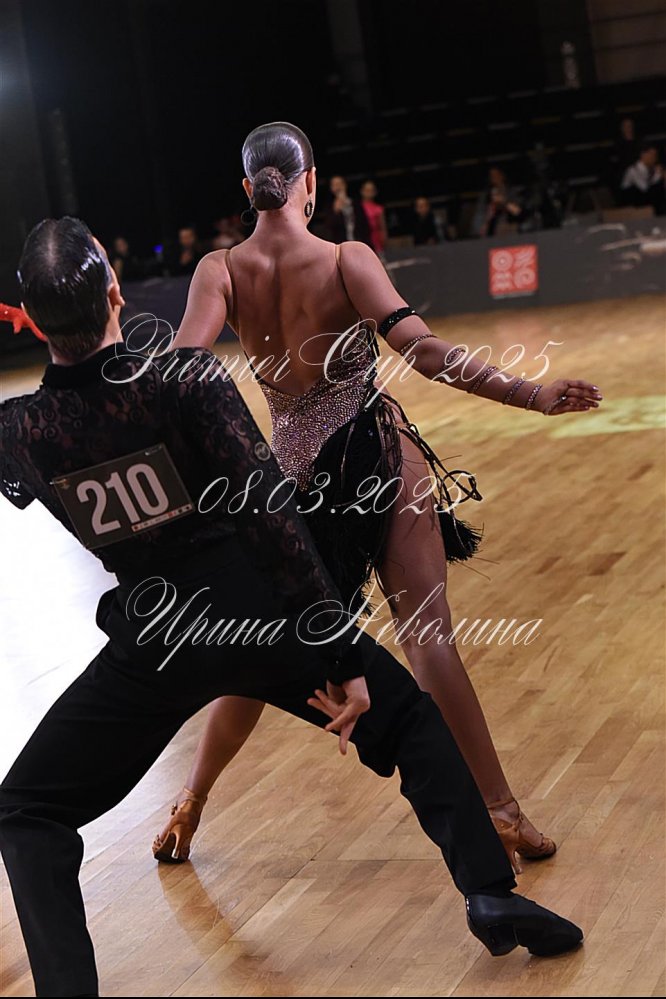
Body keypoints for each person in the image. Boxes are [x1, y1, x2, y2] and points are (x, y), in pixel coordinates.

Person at [0, 218, 584, 998]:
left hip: (154, 641)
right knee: (411, 722)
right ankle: (490, 892)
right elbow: (270, 515)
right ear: (115, 292)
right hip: (261, 619)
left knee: (27, 811)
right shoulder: (186, 382)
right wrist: (339, 653)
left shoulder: (23, 429)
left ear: (33, 320)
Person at [167, 121, 603, 874]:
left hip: (293, 485)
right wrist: (530, 392)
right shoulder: (346, 259)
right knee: (430, 640)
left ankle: (190, 802)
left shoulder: (220, 271)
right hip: (378, 463)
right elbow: (426, 353)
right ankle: (501, 812)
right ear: (309, 181)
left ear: (248, 188)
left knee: (259, 656)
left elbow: (183, 373)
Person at [472, 167, 524, 237]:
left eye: (496, 175)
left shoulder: (513, 192)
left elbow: (518, 211)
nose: (494, 178)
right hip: (492, 232)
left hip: (511, 229)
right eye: (491, 176)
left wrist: (503, 201)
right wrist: (485, 222)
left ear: (502, 175)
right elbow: (479, 219)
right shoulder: (486, 196)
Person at [325, 174, 373, 246]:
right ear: (331, 188)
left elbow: (364, 224)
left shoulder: (355, 203)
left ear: (345, 185)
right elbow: (329, 227)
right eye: (335, 185)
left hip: (358, 242)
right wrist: (336, 211)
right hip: (340, 244)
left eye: (340, 184)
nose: (338, 187)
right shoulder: (329, 206)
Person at [620, 144, 666, 215]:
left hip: (645, 199)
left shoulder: (650, 169)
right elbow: (644, 188)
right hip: (632, 202)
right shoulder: (633, 170)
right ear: (643, 155)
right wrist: (658, 175)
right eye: (652, 155)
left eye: (655, 155)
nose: (654, 158)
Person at [360, 179, 388, 255]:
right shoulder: (358, 208)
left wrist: (384, 238)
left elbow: (382, 226)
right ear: (362, 191)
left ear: (375, 192)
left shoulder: (378, 208)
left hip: (375, 238)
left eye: (371, 190)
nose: (368, 192)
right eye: (366, 190)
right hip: (362, 237)